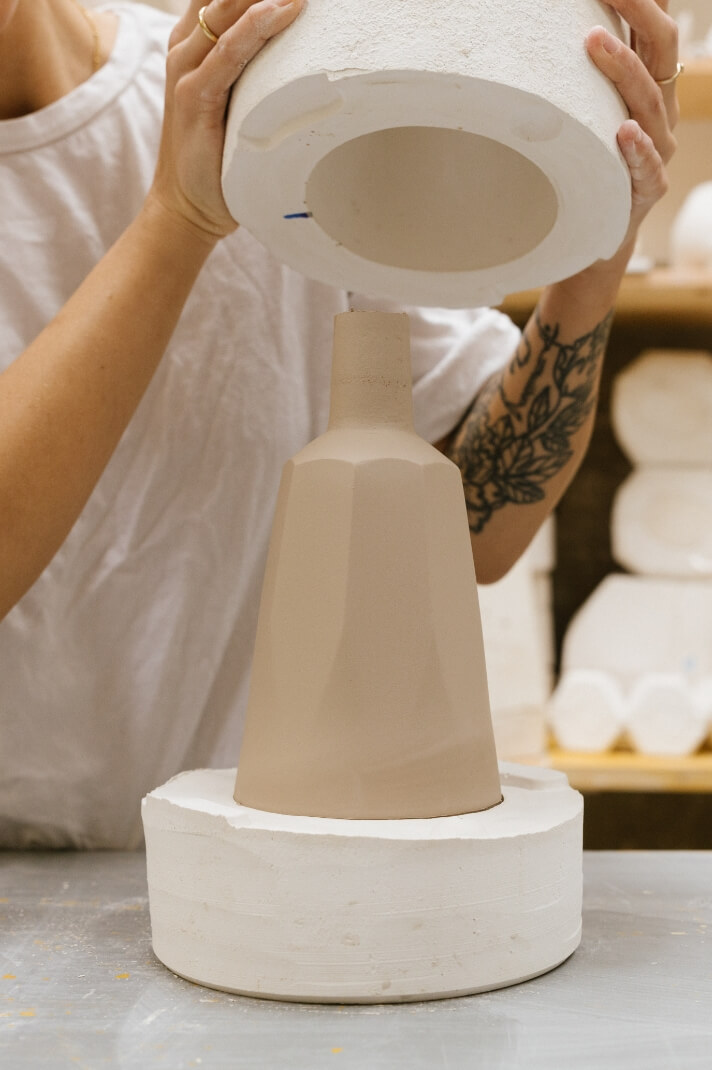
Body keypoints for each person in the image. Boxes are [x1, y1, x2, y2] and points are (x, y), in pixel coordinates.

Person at [0, 0, 679, 847]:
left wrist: (596, 253)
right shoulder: (219, 138)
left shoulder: (245, 104)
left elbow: (476, 524)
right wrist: (179, 219)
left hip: (247, 846)